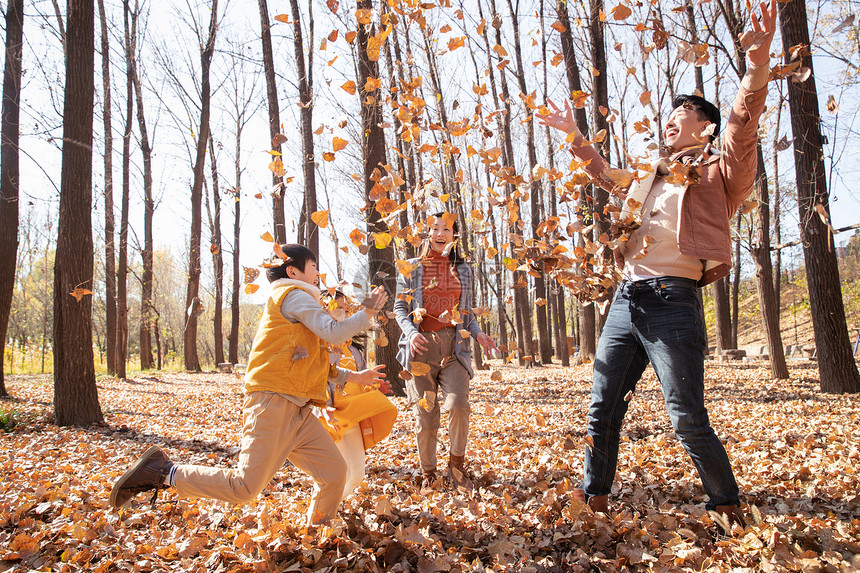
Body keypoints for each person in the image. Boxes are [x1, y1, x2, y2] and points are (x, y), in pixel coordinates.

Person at [538, 0, 777, 523]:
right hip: (627, 298)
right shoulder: (651, 175)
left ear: (705, 129)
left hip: (673, 300)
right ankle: (595, 495)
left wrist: (756, 68)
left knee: (686, 415)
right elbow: (604, 173)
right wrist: (572, 135)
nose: (670, 121)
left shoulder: (721, 171)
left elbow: (742, 121)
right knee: (602, 405)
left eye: (682, 115)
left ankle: (729, 508)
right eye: (669, 116)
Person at [109, 244, 388, 526]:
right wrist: (367, 312)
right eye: (313, 266)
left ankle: (317, 535)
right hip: (273, 403)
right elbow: (334, 330)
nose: (318, 272)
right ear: (293, 271)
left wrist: (352, 377)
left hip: (299, 411)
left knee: (334, 473)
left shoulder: (303, 302)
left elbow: (314, 362)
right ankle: (162, 471)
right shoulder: (292, 295)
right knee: (243, 487)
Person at [393, 212, 498, 491]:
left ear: (454, 235)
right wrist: (412, 332)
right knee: (427, 418)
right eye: (435, 228)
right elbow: (400, 309)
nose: (440, 233)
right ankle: (428, 472)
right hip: (420, 351)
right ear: (426, 233)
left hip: (454, 349)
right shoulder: (410, 267)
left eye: (447, 229)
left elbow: (466, 313)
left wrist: (478, 334)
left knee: (459, 406)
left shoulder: (462, 269)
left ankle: (456, 465)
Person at [317, 289, 398, 501]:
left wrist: (374, 389)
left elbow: (360, 381)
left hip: (351, 417)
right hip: (329, 418)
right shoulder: (320, 346)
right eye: (337, 310)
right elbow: (318, 378)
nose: (343, 314)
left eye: (346, 310)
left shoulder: (354, 352)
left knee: (357, 474)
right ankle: (321, 513)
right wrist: (324, 406)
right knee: (337, 474)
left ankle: (330, 509)